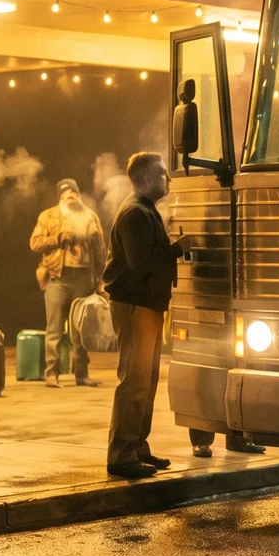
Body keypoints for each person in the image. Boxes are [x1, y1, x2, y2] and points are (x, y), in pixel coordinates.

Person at [103, 152, 186, 478]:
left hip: (146, 306)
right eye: (163, 174)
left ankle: (138, 447)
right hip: (135, 307)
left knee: (147, 381)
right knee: (135, 382)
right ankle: (121, 455)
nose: (168, 179)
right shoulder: (136, 213)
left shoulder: (143, 209)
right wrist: (178, 248)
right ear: (148, 179)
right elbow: (142, 263)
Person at [29, 178, 107, 388]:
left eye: (73, 191)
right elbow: (35, 243)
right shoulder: (48, 216)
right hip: (58, 278)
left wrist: (100, 281)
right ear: (60, 196)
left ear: (79, 194)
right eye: (65, 192)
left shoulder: (90, 216)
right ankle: (51, 375)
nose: (70, 194)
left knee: (81, 330)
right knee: (54, 329)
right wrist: (59, 238)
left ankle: (81, 375)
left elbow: (101, 253)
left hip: (84, 279)